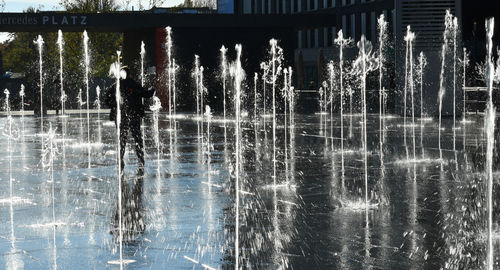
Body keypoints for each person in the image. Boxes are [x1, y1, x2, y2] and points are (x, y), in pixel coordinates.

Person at [105, 67, 155, 174]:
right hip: (134, 115)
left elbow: (106, 99)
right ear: (129, 74)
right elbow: (146, 94)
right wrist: (153, 88)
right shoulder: (134, 84)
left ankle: (120, 158)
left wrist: (115, 106)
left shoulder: (115, 86)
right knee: (137, 137)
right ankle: (140, 158)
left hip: (120, 117)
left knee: (122, 138)